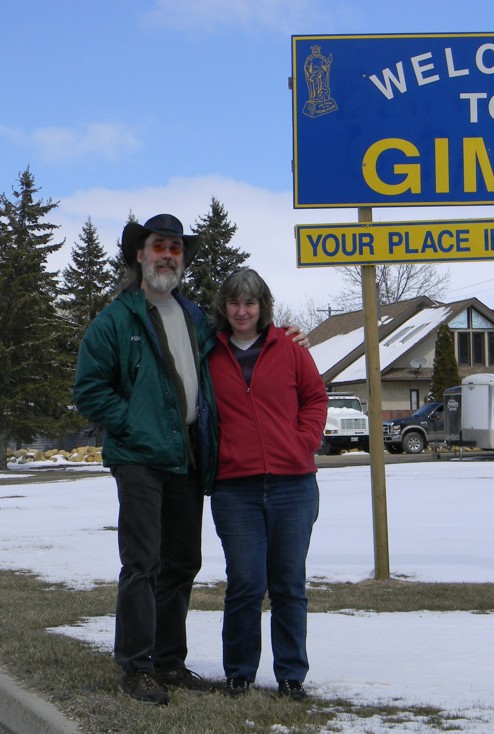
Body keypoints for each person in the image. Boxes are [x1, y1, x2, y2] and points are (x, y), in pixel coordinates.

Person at [72, 214, 306, 706]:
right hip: (139, 458)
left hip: (185, 458)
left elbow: (236, 343)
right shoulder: (116, 319)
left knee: (182, 562)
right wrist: (134, 422)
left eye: (176, 248)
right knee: (143, 563)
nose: (168, 256)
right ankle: (136, 668)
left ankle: (169, 662)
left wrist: (283, 335)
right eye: (159, 246)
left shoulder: (194, 315)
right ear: (139, 254)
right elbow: (90, 390)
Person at [208, 268, 327, 701]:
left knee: (288, 584)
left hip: (293, 485)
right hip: (234, 487)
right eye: (235, 303)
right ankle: (239, 673)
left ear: (263, 307)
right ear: (224, 307)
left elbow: (315, 397)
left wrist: (303, 441)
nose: (242, 311)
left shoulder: (290, 348)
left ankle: (291, 676)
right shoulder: (210, 353)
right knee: (245, 582)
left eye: (251, 303)